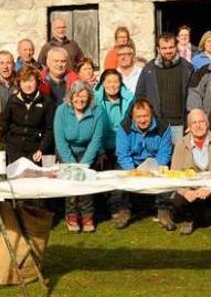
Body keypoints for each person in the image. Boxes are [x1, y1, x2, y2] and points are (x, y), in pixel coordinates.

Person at [169, 109, 211, 235]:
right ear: (189, 127)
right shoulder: (181, 144)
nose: (198, 126)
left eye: (201, 122)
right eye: (194, 123)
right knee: (177, 198)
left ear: (207, 123)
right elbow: (174, 174)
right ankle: (190, 219)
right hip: (192, 191)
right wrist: (185, 191)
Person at [114, 98, 174, 230]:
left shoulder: (163, 127)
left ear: (151, 114)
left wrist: (155, 169)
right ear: (133, 117)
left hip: (155, 162)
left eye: (145, 116)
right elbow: (123, 154)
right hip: (132, 163)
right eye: (138, 117)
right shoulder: (124, 127)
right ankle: (124, 211)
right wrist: (133, 171)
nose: (142, 120)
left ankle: (163, 211)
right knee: (121, 175)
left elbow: (164, 153)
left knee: (165, 174)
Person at [54, 81, 105, 233]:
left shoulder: (98, 111)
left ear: (89, 97)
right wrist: (72, 164)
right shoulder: (61, 111)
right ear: (70, 96)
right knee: (71, 182)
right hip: (66, 151)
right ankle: (71, 216)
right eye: (76, 95)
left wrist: (84, 165)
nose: (80, 99)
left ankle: (87, 216)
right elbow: (60, 140)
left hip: (88, 151)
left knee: (86, 181)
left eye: (83, 95)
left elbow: (96, 140)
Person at [93, 69, 135, 218]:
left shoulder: (129, 99)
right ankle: (102, 208)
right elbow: (93, 128)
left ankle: (119, 207)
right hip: (101, 144)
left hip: (122, 144)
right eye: (108, 81)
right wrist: (100, 150)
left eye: (115, 82)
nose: (112, 85)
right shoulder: (94, 100)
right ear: (102, 83)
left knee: (120, 176)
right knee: (102, 176)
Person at [1, 65, 56, 164]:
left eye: (31, 81)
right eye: (24, 81)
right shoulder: (13, 99)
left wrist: (41, 149)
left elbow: (49, 130)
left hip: (35, 148)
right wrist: (6, 144)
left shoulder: (47, 102)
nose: (28, 85)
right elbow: (5, 123)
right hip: (14, 148)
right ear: (19, 83)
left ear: (37, 82)